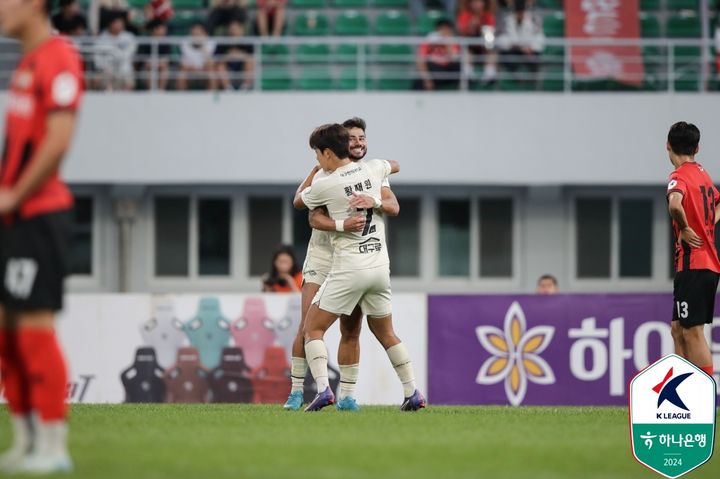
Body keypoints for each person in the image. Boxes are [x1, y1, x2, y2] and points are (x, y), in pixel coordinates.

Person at [0, 0, 84, 474]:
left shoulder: (58, 57)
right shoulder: (27, 62)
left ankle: (55, 447)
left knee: (33, 332)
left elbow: (58, 139)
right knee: (7, 336)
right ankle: (26, 440)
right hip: (13, 220)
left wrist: (13, 196)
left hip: (39, 217)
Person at [293, 124, 425, 412]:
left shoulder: (326, 184)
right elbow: (394, 165)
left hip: (349, 270)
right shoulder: (375, 168)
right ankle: (412, 391)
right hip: (380, 268)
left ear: (328, 152)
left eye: (318, 154)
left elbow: (300, 202)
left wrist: (314, 175)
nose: (317, 159)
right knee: (386, 332)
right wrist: (375, 197)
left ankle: (325, 391)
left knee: (312, 329)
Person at [666, 122, 718, 379]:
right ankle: (685, 392)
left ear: (667, 147)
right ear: (697, 148)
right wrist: (707, 225)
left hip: (695, 263)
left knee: (692, 331)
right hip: (701, 263)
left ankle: (706, 399)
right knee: (677, 328)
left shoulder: (679, 176)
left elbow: (675, 204)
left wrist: (685, 227)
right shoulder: (703, 174)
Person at [496, 0, 545, 87]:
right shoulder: (506, 20)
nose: (520, 14)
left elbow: (540, 38)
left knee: (534, 60)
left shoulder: (534, 19)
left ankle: (533, 86)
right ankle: (517, 78)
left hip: (530, 51)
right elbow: (501, 39)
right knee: (506, 58)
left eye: (521, 12)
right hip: (512, 51)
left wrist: (531, 48)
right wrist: (519, 47)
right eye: (517, 12)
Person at [456, 0, 498, 85]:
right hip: (469, 45)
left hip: (484, 45)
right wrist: (471, 25)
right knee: (467, 52)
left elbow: (490, 34)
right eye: (474, 2)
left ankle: (489, 75)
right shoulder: (464, 15)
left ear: (483, 3)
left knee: (491, 52)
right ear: (470, 4)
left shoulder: (488, 16)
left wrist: (481, 24)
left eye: (479, 2)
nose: (477, 4)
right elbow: (462, 34)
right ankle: (469, 76)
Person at [416, 19, 463, 91]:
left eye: (447, 29)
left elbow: (454, 59)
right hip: (433, 69)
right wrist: (427, 79)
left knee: (460, 67)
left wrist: (448, 44)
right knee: (419, 79)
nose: (444, 32)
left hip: (448, 70)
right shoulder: (429, 40)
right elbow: (420, 60)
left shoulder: (453, 41)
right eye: (442, 29)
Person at [94, 14, 137, 91]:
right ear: (110, 24)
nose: (119, 25)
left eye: (121, 23)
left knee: (128, 80)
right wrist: (106, 66)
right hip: (106, 69)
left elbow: (129, 54)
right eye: (117, 23)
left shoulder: (129, 37)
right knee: (99, 78)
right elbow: (97, 58)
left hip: (124, 69)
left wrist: (117, 58)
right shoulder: (101, 38)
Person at [215, 19, 254, 91]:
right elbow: (216, 59)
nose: (233, 32)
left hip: (242, 70)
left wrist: (241, 56)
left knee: (250, 63)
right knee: (220, 66)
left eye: (235, 29)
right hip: (228, 70)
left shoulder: (248, 42)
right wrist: (228, 57)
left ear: (241, 30)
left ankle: (244, 89)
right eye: (231, 29)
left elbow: (253, 58)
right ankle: (228, 89)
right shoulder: (222, 43)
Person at [177, 22, 217, 91]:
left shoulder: (211, 44)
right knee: (182, 73)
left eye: (198, 34)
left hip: (204, 70)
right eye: (194, 34)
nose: (196, 37)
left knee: (212, 73)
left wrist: (203, 48)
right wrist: (191, 67)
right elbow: (183, 64)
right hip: (190, 70)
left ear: (205, 34)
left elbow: (211, 63)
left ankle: (211, 98)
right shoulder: (184, 44)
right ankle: (181, 97)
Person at [137, 19, 172, 90]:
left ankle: (161, 90)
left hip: (161, 65)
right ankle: (151, 90)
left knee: (164, 68)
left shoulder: (166, 42)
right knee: (150, 68)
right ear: (155, 29)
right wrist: (152, 63)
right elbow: (143, 59)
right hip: (147, 67)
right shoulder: (145, 41)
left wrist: (158, 63)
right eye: (162, 29)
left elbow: (167, 59)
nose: (165, 31)